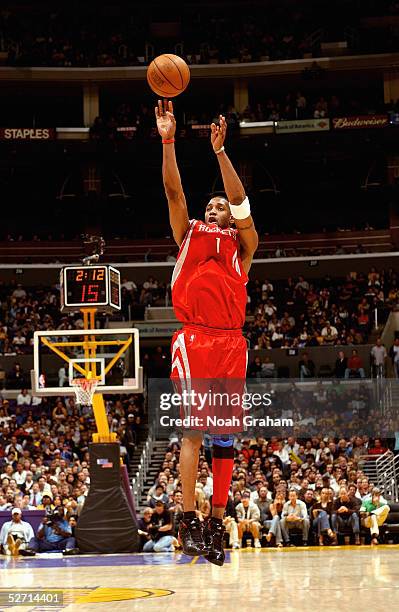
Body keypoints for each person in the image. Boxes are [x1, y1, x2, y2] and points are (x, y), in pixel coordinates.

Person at [155, 99, 258, 566]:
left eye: (221, 207)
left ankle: (217, 520)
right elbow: (175, 192)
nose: (216, 209)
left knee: (225, 438)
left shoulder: (243, 245)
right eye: (211, 205)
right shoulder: (190, 232)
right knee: (194, 429)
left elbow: (243, 205)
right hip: (195, 337)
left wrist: (220, 153)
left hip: (232, 342)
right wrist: (168, 140)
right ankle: (188, 517)